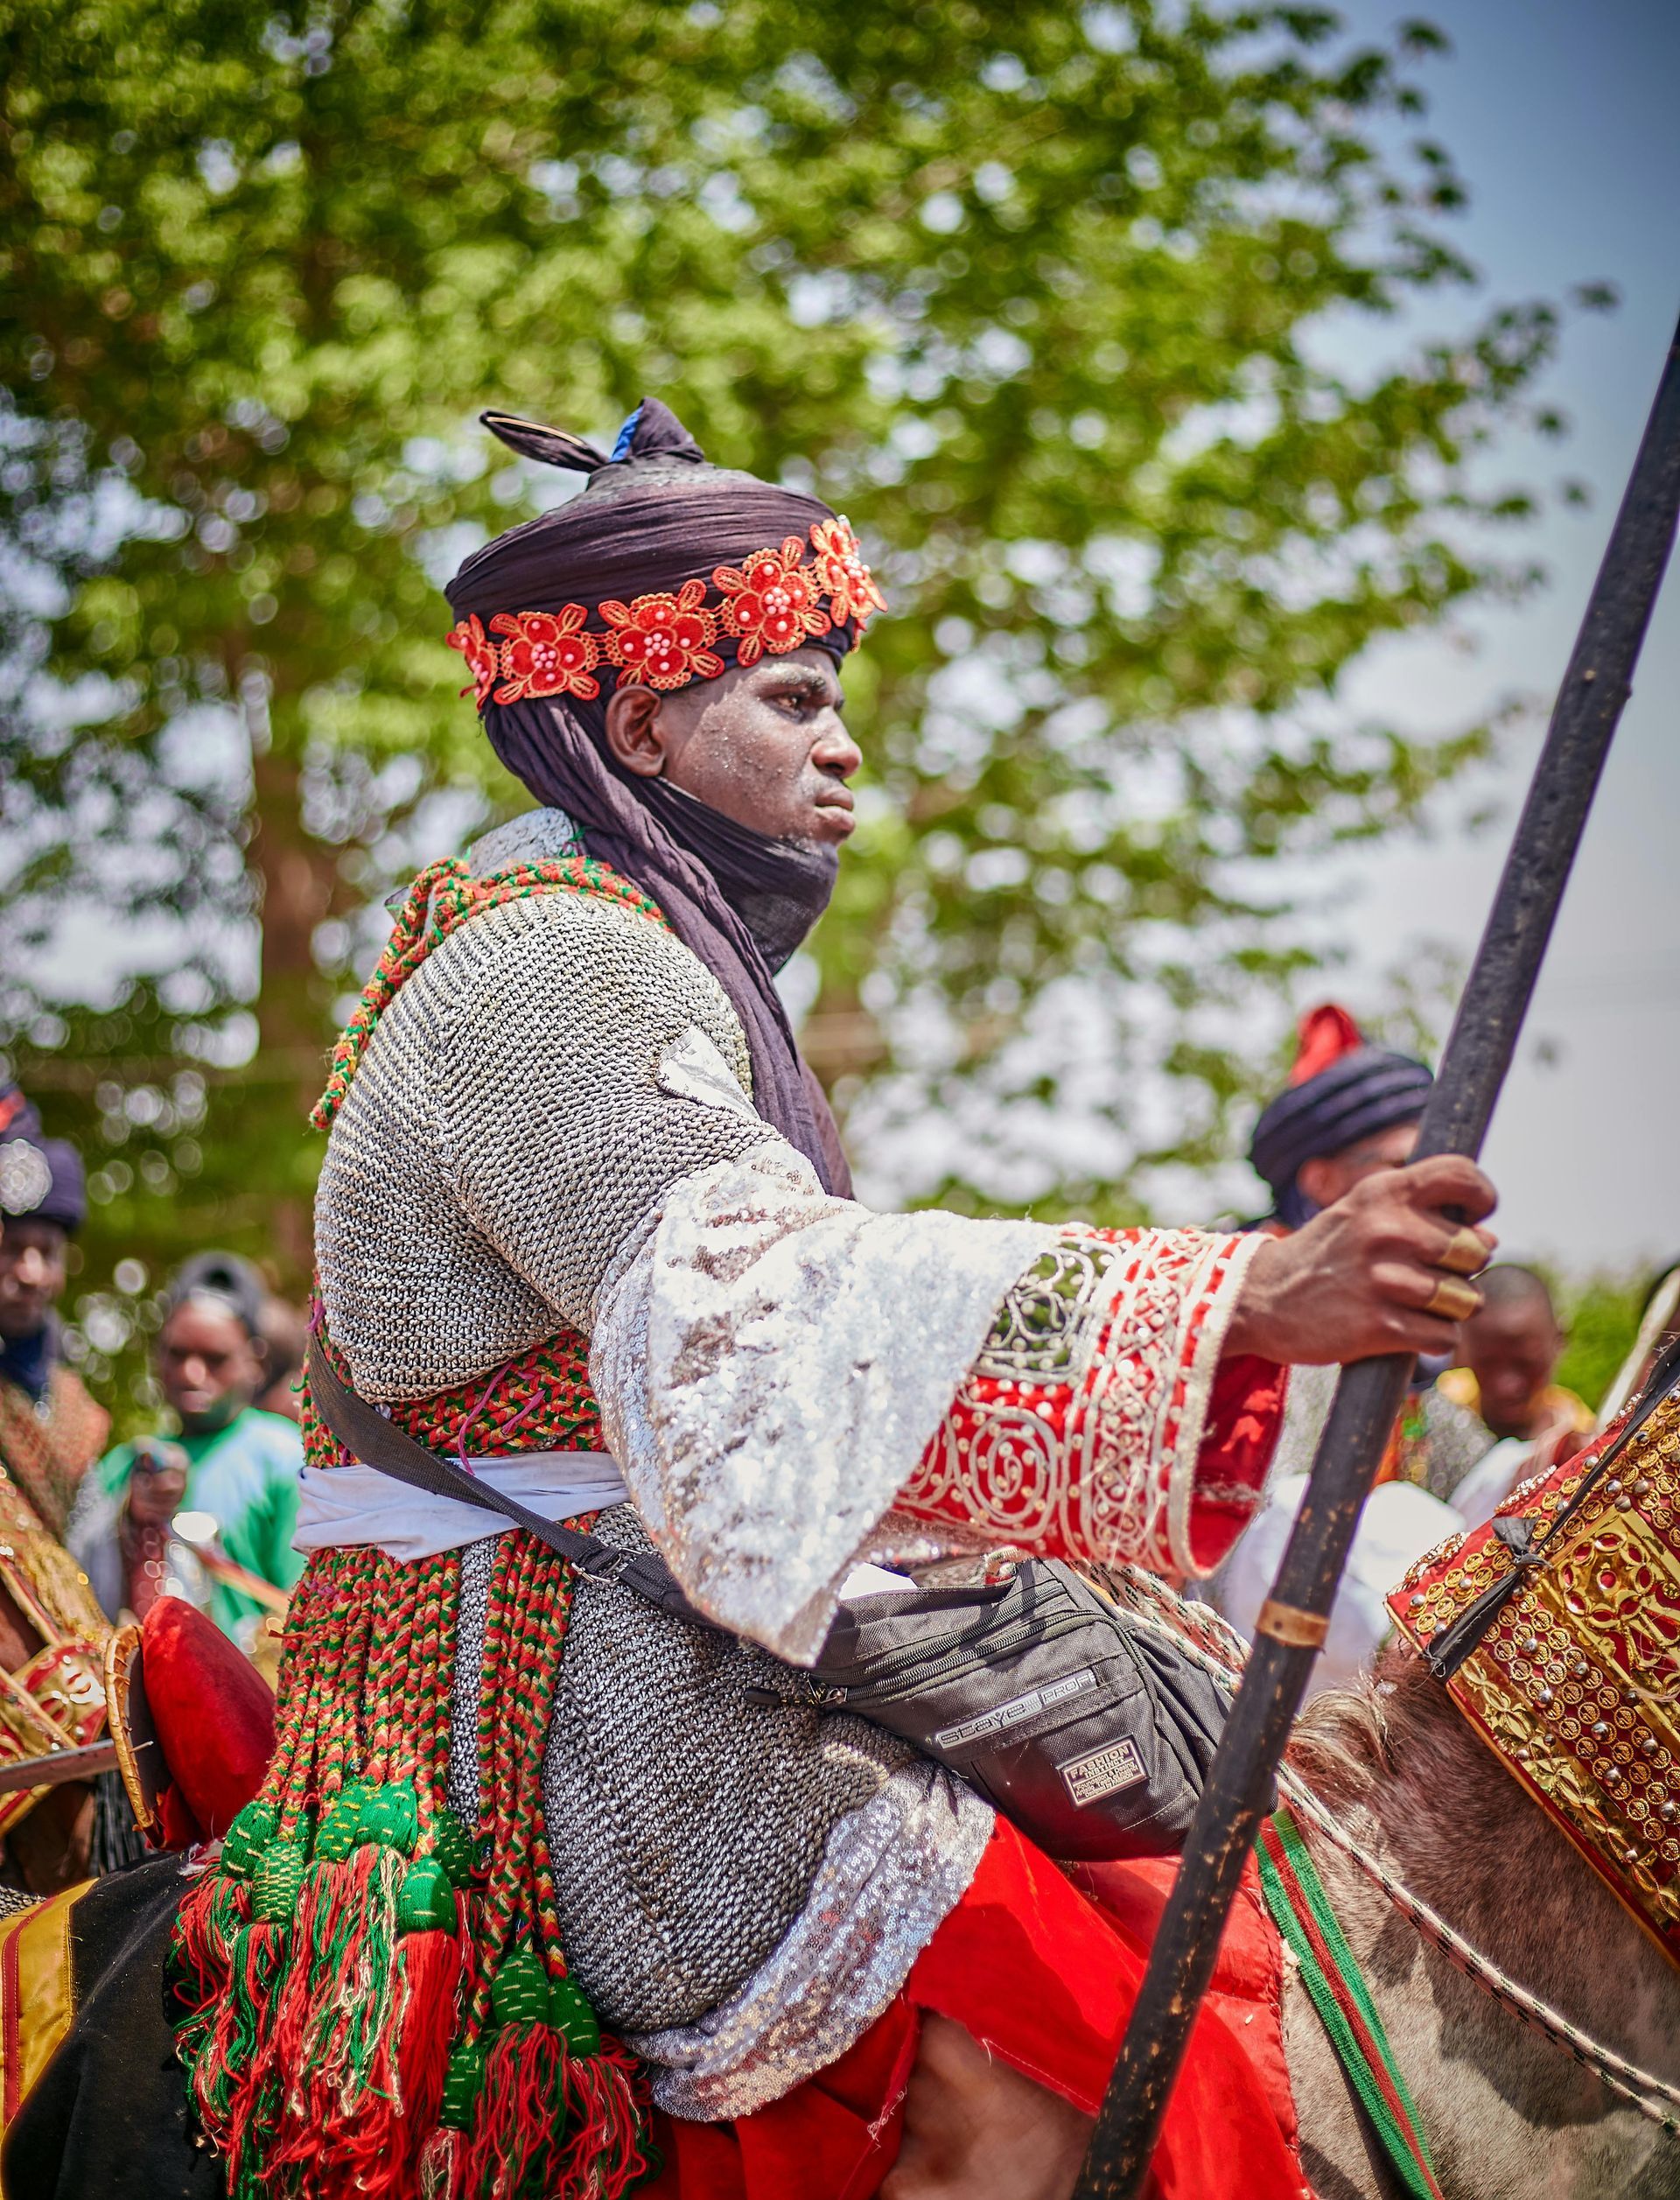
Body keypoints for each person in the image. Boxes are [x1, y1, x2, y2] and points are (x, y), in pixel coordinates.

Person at [66, 400, 1497, 2200]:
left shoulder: (627, 945)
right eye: (795, 698)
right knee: (1065, 2062)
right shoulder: (549, 965)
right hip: (570, 1707)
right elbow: (754, 1310)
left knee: (1191, 1924)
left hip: (669, 1639)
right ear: (642, 726)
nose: (847, 747)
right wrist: (1245, 1296)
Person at [70, 1251, 304, 1652]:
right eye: (177, 1354)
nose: (192, 1373)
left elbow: (301, 1605)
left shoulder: (284, 1457)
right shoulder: (124, 1466)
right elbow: (77, 1590)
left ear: (256, 1362)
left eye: (215, 1359)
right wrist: (129, 1520)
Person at [0, 1084, 114, 1892]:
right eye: (9, 1249)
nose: (29, 1273)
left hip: (66, 1703)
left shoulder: (79, 1409)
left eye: (45, 1250)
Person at [1441, 1265, 1593, 1531]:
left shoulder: (1582, 1444)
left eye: (1525, 1364)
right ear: (1461, 1346)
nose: (1506, 1386)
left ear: (1559, 1341)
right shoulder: (1430, 1421)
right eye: (1487, 1363)